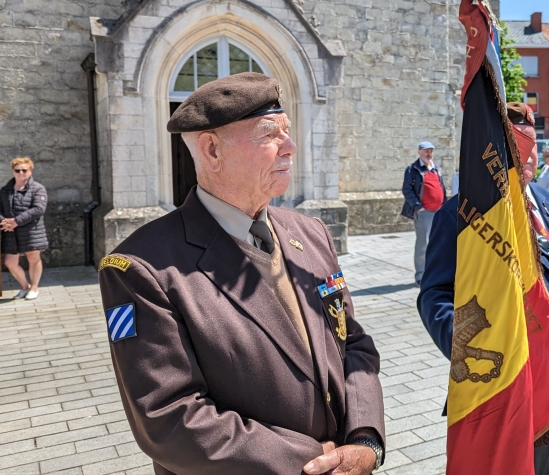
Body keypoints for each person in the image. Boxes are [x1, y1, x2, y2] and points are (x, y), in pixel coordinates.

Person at [98, 73, 385, 474]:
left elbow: (352, 342)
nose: (290, 147)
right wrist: (312, 463)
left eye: (287, 130)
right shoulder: (141, 268)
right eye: (269, 134)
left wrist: (366, 438)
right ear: (212, 150)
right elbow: (169, 417)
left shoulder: (310, 233)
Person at [418, 102, 549, 475]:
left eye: (534, 146)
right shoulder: (461, 213)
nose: (529, 157)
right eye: (519, 146)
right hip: (511, 385)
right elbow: (435, 296)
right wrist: (476, 348)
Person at [1, 157, 49, 301]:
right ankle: (24, 286)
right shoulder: (5, 190)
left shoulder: (38, 189)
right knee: (9, 262)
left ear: (30, 171)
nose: (21, 173)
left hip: (31, 230)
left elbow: (38, 209)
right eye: (18, 170)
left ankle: (34, 288)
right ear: (13, 172)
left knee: (33, 258)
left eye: (24, 170)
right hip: (11, 232)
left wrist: (17, 221)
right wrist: (4, 222)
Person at [401, 141, 446, 285]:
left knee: (439, 243)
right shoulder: (412, 169)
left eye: (431, 151)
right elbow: (407, 189)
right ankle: (421, 275)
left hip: (439, 211)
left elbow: (441, 187)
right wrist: (418, 206)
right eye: (426, 151)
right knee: (423, 244)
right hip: (424, 212)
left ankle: (436, 273)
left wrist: (444, 206)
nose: (429, 154)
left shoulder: (436, 168)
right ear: (419, 152)